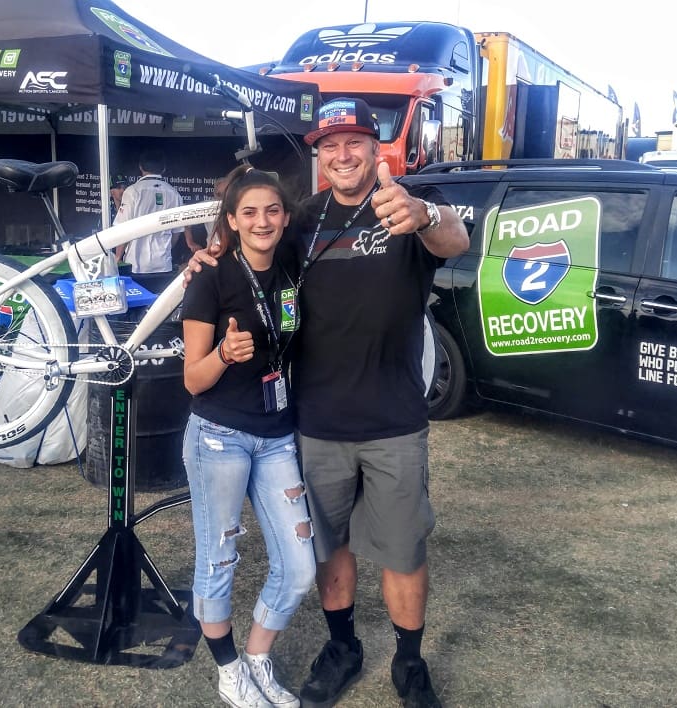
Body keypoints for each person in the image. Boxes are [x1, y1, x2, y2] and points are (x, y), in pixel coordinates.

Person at [189, 98, 469, 707]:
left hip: (394, 421)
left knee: (401, 550)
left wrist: (424, 215)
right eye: (329, 145)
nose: (342, 155)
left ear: (376, 148)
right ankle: (343, 646)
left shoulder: (403, 208)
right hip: (314, 423)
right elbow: (252, 252)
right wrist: (207, 258)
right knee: (328, 549)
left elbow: (456, 240)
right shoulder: (303, 221)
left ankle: (409, 661)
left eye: (354, 142)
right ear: (319, 157)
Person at [181, 165, 313, 708]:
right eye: (250, 213)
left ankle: (257, 657)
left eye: (272, 210)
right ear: (231, 221)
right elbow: (192, 378)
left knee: (301, 565)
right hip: (219, 437)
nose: (263, 221)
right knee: (219, 558)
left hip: (278, 434)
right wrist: (222, 355)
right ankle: (228, 669)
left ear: (285, 217)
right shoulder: (210, 276)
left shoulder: (290, 263)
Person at [113, 149, 186, 291]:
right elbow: (177, 231)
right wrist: (165, 249)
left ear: (140, 167)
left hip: (136, 265)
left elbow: (123, 228)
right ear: (163, 168)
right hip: (163, 264)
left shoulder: (133, 191)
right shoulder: (174, 193)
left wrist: (117, 257)